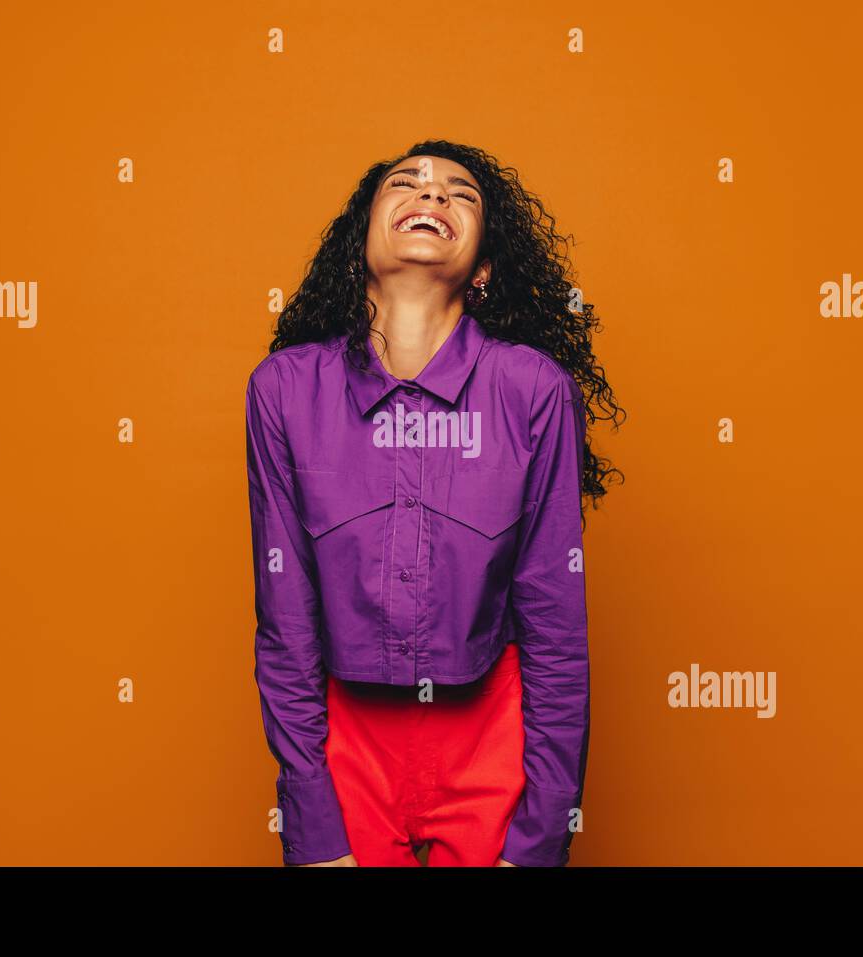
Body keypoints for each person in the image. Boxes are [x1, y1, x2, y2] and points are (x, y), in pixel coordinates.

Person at [245, 140, 624, 866]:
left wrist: (543, 832)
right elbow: (284, 625)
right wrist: (311, 819)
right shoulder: (282, 391)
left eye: (461, 193)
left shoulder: (535, 392)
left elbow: (556, 628)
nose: (432, 193)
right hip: (344, 747)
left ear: (482, 268)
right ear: (361, 243)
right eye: (405, 182)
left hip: (492, 742)